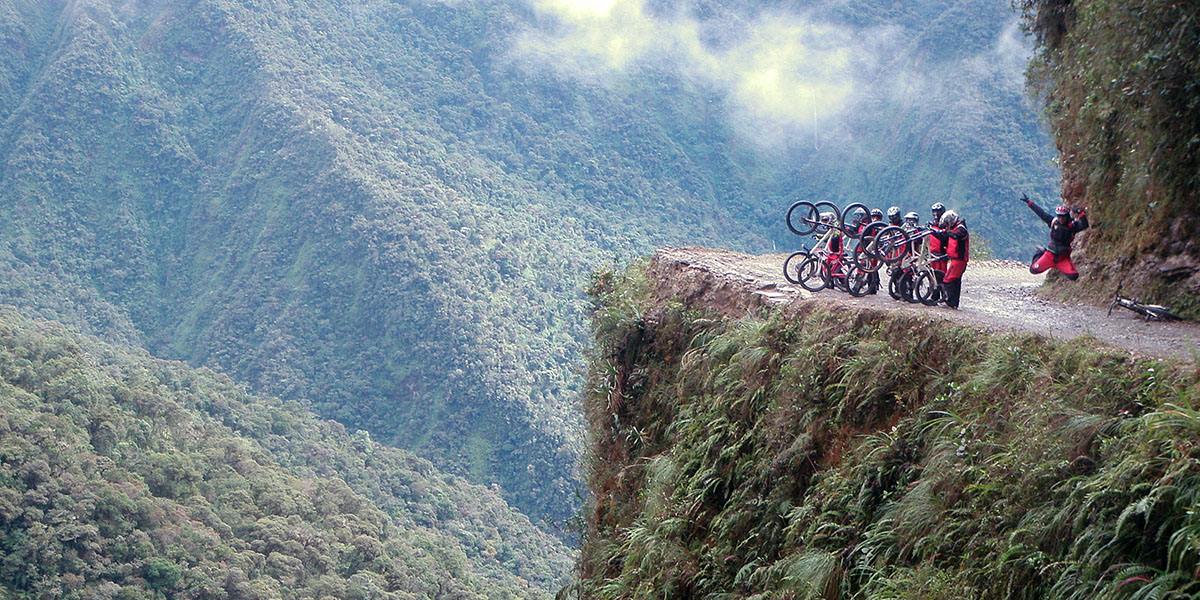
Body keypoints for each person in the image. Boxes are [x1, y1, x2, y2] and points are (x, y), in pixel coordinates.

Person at [1022, 194, 1089, 280]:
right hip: (1050, 255)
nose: (1061, 219)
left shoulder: (1072, 226)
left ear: (1067, 216)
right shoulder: (1053, 222)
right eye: (1059, 216)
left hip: (1063, 258)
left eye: (1063, 217)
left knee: (1073, 276)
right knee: (1033, 270)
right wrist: (1029, 202)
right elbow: (1042, 214)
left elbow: (1084, 225)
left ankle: (1059, 266)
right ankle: (1040, 251)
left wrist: (1080, 214)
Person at [932, 210, 968, 309]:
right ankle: (953, 303)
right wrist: (937, 232)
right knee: (955, 281)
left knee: (948, 279)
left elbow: (956, 235)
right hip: (955, 259)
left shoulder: (961, 228)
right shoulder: (956, 228)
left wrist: (947, 232)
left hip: (959, 260)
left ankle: (950, 302)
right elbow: (945, 237)